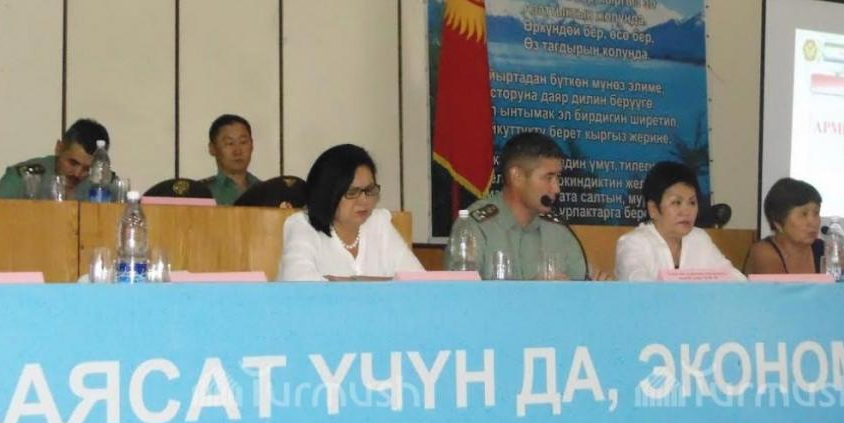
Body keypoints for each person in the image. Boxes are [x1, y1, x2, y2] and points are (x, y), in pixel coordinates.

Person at [445, 131, 587, 280]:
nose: (556, 188)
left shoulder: (558, 230)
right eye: (548, 177)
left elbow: (581, 284)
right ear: (517, 176)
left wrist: (597, 283)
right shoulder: (475, 227)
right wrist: (532, 290)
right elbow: (460, 291)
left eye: (558, 178)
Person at [277, 144, 422, 281]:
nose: (364, 200)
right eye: (352, 192)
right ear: (327, 194)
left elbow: (419, 283)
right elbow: (300, 286)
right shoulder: (302, 226)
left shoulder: (379, 223)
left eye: (369, 190)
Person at [616, 161, 745, 281]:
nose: (686, 211)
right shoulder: (634, 243)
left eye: (692, 202)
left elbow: (734, 279)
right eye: (676, 202)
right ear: (653, 209)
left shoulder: (699, 238)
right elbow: (638, 284)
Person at [0, 118, 110, 200]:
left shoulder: (103, 186)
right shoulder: (24, 177)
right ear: (59, 148)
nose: (77, 173)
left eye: (87, 169)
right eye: (73, 163)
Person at [745, 177, 823, 274]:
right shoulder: (763, 252)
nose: (813, 222)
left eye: (816, 213)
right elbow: (779, 284)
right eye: (804, 214)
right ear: (778, 223)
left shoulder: (824, 249)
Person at [200, 114, 261, 205]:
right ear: (212, 148)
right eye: (230, 143)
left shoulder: (267, 190)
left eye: (243, 142)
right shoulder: (201, 193)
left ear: (252, 145)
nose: (238, 151)